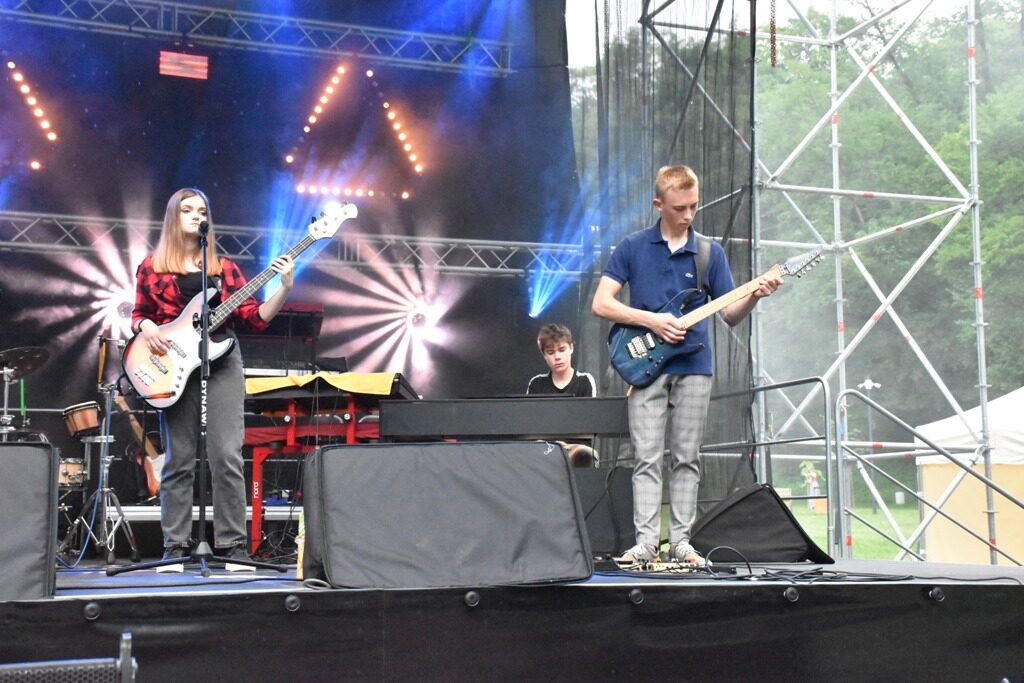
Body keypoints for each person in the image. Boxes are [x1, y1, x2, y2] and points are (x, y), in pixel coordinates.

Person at [591, 165, 782, 565]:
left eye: (694, 206)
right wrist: (652, 321)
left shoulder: (710, 253)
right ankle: (646, 544)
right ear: (658, 204)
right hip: (645, 365)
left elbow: (730, 314)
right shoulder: (632, 247)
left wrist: (755, 294)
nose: (688, 214)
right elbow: (602, 303)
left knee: (687, 456)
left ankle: (681, 542)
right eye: (680, 208)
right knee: (645, 457)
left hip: (695, 366)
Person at [131, 188, 295, 572]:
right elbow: (138, 314)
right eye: (187, 210)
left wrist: (285, 286)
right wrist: (147, 326)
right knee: (179, 459)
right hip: (171, 364)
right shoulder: (152, 266)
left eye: (201, 210)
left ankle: (233, 546)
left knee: (226, 455)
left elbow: (255, 317)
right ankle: (174, 545)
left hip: (221, 361)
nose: (196, 216)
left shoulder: (224, 267)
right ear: (173, 217)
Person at [526, 324, 598, 466]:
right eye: (551, 352)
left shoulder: (585, 380)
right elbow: (530, 423)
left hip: (577, 446)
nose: (557, 357)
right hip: (545, 445)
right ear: (544, 355)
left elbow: (589, 423)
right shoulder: (536, 383)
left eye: (562, 350)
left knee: (586, 454)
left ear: (571, 348)